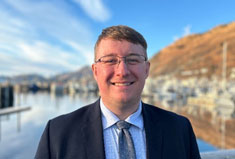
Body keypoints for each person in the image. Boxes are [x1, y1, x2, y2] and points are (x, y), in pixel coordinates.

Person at [35, 25, 201, 159]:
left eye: (133, 60)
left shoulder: (179, 129)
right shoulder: (57, 133)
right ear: (95, 71)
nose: (122, 71)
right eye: (110, 60)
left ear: (146, 69)